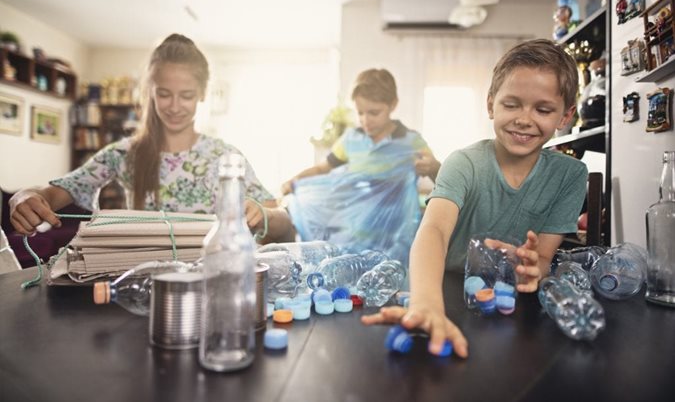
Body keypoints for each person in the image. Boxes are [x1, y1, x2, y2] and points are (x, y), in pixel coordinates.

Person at [362, 39, 588, 359]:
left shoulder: (571, 175)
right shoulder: (464, 163)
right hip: (445, 287)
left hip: (510, 304)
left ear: (566, 116)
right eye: (511, 105)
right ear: (490, 104)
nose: (524, 119)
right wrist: (426, 303)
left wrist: (531, 269)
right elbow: (434, 231)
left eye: (543, 109)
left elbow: (542, 261)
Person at [9, 34, 294, 243]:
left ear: (203, 94)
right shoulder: (123, 153)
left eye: (187, 96)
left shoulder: (225, 156)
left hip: (213, 281)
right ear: (150, 92)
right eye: (164, 94)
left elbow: (282, 221)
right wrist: (25, 196)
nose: (174, 106)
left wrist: (264, 216)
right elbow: (55, 194)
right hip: (141, 285)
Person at [281, 68, 440, 195]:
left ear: (393, 105)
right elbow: (321, 169)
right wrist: (295, 180)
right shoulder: (351, 140)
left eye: (374, 113)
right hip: (356, 230)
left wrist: (434, 168)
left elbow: (444, 181)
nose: (365, 120)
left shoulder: (412, 141)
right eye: (360, 113)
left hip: (399, 232)